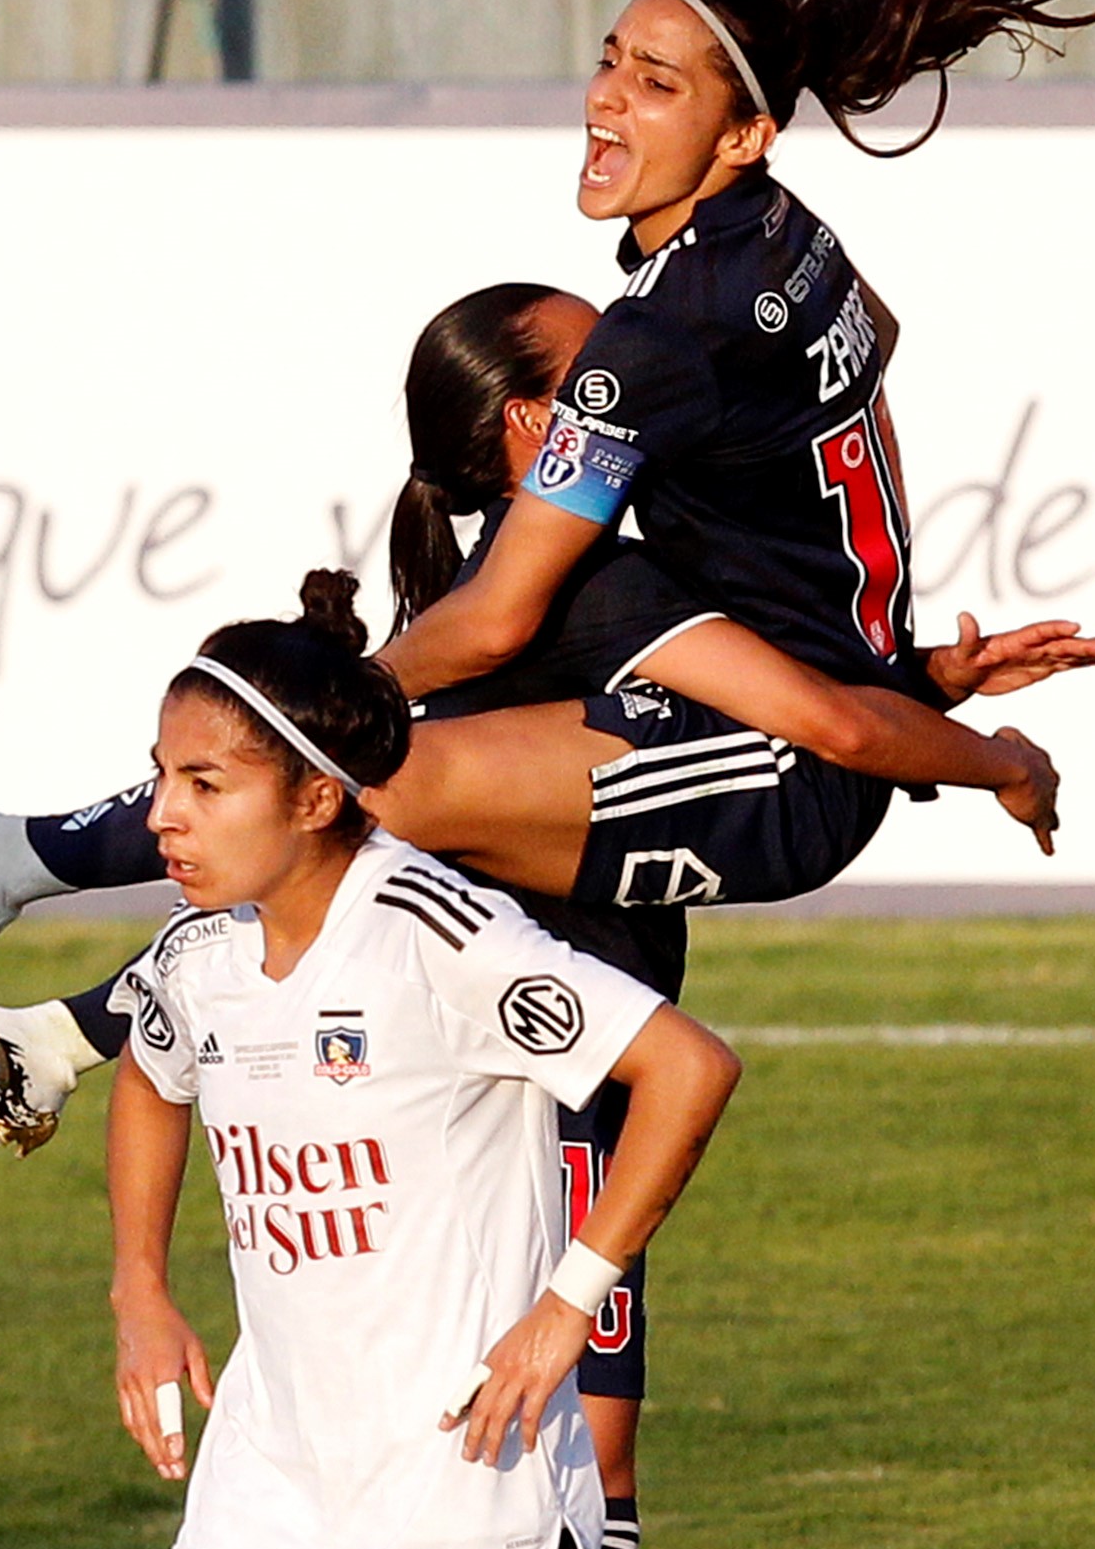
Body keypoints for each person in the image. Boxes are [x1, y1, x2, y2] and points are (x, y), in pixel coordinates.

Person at [0, 279, 1095, 1538]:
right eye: (599, 365)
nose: (637, 373)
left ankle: (47, 990)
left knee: (590, 1441)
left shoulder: (523, 587)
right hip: (548, 1042)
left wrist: (930, 680)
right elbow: (819, 729)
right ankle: (31, 922)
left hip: (564, 1020)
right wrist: (994, 762)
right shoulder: (580, 588)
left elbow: (771, 720)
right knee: (593, 1442)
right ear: (533, 424)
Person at [0, 0, 1095, 961]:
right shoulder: (792, 241)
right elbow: (852, 379)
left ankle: (51, 929)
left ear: (742, 136)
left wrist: (335, 695)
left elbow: (498, 618)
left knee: (353, 783)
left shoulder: (651, 342)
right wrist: (912, 666)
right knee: (388, 822)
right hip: (824, 701)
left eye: (657, 83)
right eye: (611, 59)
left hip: (793, 762)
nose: (606, 96)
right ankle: (47, 953)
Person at [100, 572, 742, 1549]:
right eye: (161, 776)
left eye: (204, 784)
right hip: (266, 1487)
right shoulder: (199, 951)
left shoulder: (432, 932)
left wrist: (568, 1305)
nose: (161, 814)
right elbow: (150, 1076)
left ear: (317, 798)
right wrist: (139, 1288)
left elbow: (687, 1068)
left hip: (468, 1488)